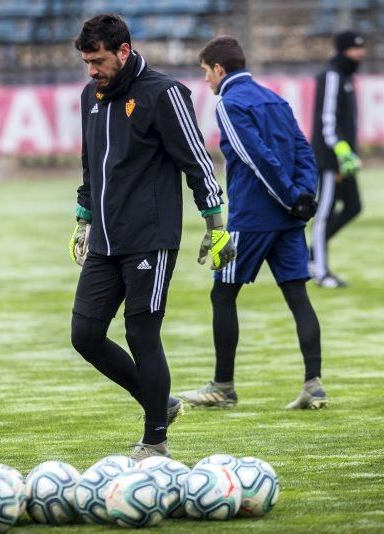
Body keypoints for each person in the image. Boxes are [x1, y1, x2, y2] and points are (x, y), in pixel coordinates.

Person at [68, 14, 236, 461]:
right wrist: (84, 216)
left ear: (123, 51)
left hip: (150, 238)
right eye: (86, 62)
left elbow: (198, 162)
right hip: (105, 240)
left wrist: (215, 225)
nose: (92, 70)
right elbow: (92, 165)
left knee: (142, 334)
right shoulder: (92, 96)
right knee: (84, 334)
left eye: (98, 60)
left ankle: (156, 441)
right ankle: (160, 399)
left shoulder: (163, 94)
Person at [177, 35, 327, 411]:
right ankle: (314, 384)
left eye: (205, 72)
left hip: (251, 219)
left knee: (222, 295)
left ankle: (223, 386)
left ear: (219, 69)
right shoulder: (275, 98)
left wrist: (293, 197)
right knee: (297, 295)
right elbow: (303, 149)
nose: (206, 81)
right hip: (288, 219)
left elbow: (254, 157)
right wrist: (305, 196)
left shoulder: (230, 103)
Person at [310, 30, 366, 288]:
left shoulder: (345, 76)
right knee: (324, 213)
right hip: (331, 159)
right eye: (356, 49)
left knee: (353, 206)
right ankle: (319, 271)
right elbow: (327, 121)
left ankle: (311, 254)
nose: (361, 53)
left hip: (344, 159)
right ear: (344, 50)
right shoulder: (331, 76)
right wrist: (340, 151)